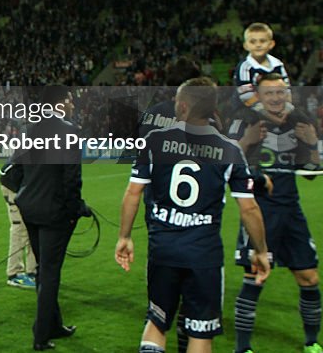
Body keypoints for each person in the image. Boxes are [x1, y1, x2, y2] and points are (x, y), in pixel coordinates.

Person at [115, 77, 272, 353]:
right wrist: (260, 251)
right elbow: (249, 208)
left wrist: (124, 237)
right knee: (201, 333)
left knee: (157, 322)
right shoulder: (229, 149)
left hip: (163, 251)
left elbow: (133, 193)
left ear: (183, 106)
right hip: (204, 255)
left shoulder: (155, 140)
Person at [226, 74, 321, 353]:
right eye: (270, 93)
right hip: (260, 211)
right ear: (259, 95)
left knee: (309, 278)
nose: (276, 98)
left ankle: (312, 342)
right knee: (255, 277)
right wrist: (246, 141)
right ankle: (243, 348)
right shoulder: (244, 120)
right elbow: (228, 165)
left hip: (292, 211)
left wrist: (313, 145)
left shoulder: (299, 121)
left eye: (281, 92)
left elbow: (311, 174)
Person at [13, 85, 90, 351]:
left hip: (30, 207)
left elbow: (19, 168)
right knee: (49, 273)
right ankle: (41, 335)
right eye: (69, 99)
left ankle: (53, 324)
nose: (71, 103)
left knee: (42, 269)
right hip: (53, 212)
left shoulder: (29, 129)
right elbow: (71, 179)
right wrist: (74, 211)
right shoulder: (69, 132)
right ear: (60, 103)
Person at [233, 22, 290, 114]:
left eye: (262, 41)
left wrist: (287, 108)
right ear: (246, 46)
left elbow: (287, 89)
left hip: (275, 106)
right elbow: (246, 96)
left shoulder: (278, 64)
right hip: (248, 110)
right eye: (253, 42)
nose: (258, 45)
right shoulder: (245, 67)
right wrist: (266, 113)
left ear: (271, 44)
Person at [0, 158, 36, 289]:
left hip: (23, 183)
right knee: (20, 227)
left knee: (35, 224)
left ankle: (34, 271)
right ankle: (14, 274)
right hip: (14, 184)